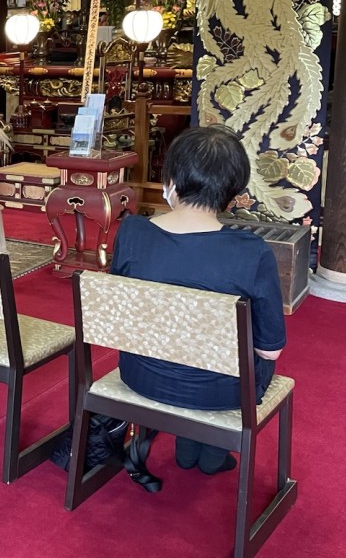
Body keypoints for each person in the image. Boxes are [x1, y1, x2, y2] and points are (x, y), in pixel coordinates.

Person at [110, 125, 286, 477]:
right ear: (233, 192)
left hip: (142, 374)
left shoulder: (132, 232)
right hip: (221, 391)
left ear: (171, 181)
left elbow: (121, 311)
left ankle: (190, 443)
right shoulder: (252, 252)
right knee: (251, 361)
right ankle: (210, 450)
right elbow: (270, 351)